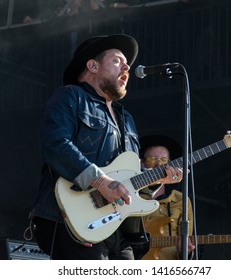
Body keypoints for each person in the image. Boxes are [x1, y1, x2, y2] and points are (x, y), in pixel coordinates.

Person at [29, 34, 183, 260]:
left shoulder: (126, 118)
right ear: (92, 65)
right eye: (117, 60)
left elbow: (129, 179)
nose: (127, 67)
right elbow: (55, 144)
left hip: (118, 227)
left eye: (126, 63)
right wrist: (100, 181)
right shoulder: (70, 97)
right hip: (70, 219)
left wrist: (157, 179)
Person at [138, 135, 195, 260]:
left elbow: (187, 246)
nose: (159, 164)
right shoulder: (130, 194)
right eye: (153, 159)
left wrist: (186, 251)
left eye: (164, 160)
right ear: (142, 162)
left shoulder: (182, 200)